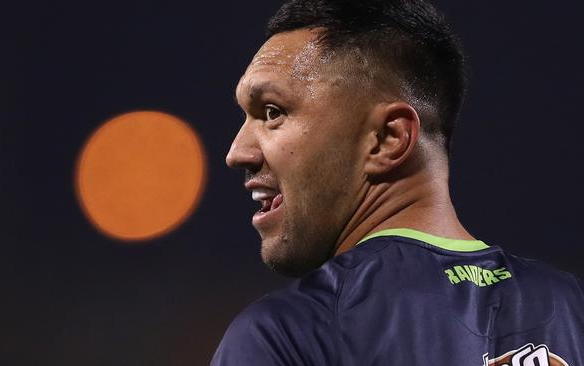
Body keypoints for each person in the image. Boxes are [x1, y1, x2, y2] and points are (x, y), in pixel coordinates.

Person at [212, 0, 584, 364]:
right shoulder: (572, 308)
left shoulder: (290, 333)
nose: (237, 152)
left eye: (272, 113)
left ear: (388, 139)